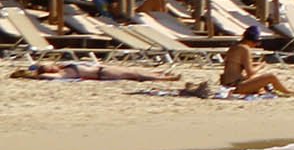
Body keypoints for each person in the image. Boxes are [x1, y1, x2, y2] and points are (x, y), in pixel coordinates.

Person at [219, 40, 293, 97]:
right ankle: (287, 92)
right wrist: (261, 66)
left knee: (257, 78)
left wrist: (255, 64)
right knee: (271, 77)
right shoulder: (245, 48)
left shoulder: (235, 47)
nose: (254, 46)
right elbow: (250, 72)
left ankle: (277, 91)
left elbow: (237, 65)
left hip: (229, 84)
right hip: (235, 86)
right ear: (251, 41)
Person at [16, 60, 175, 82]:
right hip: (102, 74)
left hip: (102, 68)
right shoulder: (61, 74)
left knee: (132, 70)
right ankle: (164, 79)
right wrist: (35, 74)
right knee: (133, 75)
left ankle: (162, 75)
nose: (51, 65)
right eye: (47, 66)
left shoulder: (63, 67)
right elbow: (43, 76)